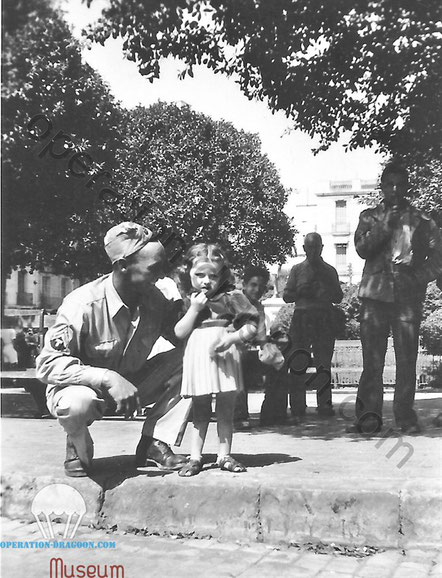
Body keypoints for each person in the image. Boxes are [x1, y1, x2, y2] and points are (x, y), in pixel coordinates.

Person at [36, 222, 191, 477]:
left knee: (193, 357)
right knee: (76, 404)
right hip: (84, 390)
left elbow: (180, 338)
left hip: (133, 386)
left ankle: (155, 441)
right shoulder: (82, 304)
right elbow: (47, 365)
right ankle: (78, 444)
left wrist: (195, 309)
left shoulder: (155, 300)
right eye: (155, 269)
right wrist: (107, 378)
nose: (163, 276)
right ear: (122, 266)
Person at [351, 163, 442, 434]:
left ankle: (405, 417)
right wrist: (384, 225)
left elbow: (438, 258)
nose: (394, 190)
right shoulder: (368, 217)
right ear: (381, 187)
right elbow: (361, 249)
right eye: (389, 184)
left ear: (407, 188)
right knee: (372, 360)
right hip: (374, 295)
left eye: (399, 185)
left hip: (407, 297)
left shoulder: (423, 221)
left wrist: (418, 278)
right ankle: (368, 417)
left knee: (406, 360)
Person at [174, 243, 259, 476]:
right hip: (199, 352)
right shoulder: (187, 300)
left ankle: (224, 454)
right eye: (199, 274)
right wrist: (193, 310)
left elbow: (253, 325)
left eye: (213, 275)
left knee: (226, 405)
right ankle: (195, 456)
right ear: (187, 273)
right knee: (199, 405)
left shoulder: (231, 298)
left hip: (224, 353)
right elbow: (179, 332)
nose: (206, 281)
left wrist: (233, 338)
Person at [283, 233, 343, 417]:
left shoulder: (330, 270)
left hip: (323, 318)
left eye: (316, 247)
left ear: (322, 248)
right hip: (301, 318)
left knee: (323, 364)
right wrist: (300, 292)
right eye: (310, 247)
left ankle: (324, 405)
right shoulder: (296, 269)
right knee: (298, 362)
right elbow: (286, 296)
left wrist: (325, 291)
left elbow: (339, 297)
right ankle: (297, 406)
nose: (313, 251)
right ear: (304, 249)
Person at [234, 265, 270, 426]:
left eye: (261, 287)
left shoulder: (259, 307)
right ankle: (239, 416)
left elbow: (261, 336)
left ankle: (273, 412)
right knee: (239, 360)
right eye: (253, 285)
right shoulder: (233, 301)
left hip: (248, 351)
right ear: (244, 284)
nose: (257, 290)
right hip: (228, 350)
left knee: (280, 363)